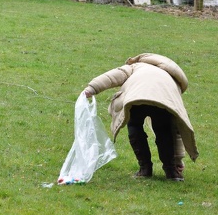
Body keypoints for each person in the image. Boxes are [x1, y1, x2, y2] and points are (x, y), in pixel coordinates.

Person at [83, 53, 198, 181]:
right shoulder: (172, 75)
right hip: (163, 100)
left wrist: (91, 89)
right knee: (165, 131)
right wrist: (178, 160)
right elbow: (177, 132)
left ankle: (145, 169)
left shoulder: (135, 66)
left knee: (134, 126)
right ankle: (172, 171)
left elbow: (113, 76)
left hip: (136, 98)